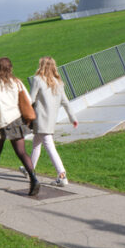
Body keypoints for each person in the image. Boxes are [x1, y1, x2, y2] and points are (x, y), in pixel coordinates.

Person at [0, 56, 40, 195]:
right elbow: (28, 99)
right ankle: (33, 178)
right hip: (16, 121)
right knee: (21, 152)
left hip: (1, 123)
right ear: (10, 68)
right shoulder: (17, 82)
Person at [23, 57, 79, 187]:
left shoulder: (37, 80)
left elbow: (30, 100)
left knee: (49, 146)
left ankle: (62, 175)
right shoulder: (58, 82)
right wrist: (73, 118)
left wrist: (22, 114)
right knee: (36, 144)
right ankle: (29, 170)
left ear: (41, 66)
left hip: (40, 120)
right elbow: (65, 102)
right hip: (50, 121)